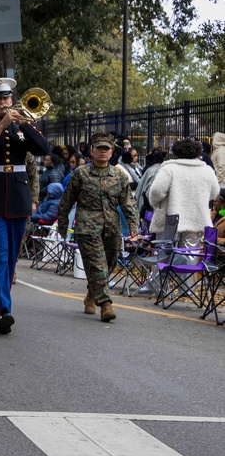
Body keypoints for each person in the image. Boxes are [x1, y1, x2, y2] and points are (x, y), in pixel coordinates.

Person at [0, 78, 49, 335]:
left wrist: (26, 124)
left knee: (11, 258)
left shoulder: (21, 128)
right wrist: (2, 125)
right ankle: (4, 309)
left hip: (18, 197)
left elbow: (43, 148)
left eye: (7, 98)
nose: (4, 103)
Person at [56, 133, 140, 322]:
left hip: (111, 227)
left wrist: (134, 225)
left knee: (108, 264)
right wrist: (62, 225)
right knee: (97, 264)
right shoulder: (81, 173)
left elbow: (127, 202)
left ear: (111, 152)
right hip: (87, 227)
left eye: (106, 149)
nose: (103, 152)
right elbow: (67, 200)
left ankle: (91, 295)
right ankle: (106, 305)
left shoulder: (119, 175)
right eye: (99, 148)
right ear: (92, 151)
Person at [148, 138, 220, 245]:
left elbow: (156, 192)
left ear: (177, 152)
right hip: (196, 220)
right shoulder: (207, 171)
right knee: (190, 255)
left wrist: (156, 204)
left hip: (171, 221)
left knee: (166, 256)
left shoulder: (169, 169)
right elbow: (214, 193)